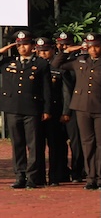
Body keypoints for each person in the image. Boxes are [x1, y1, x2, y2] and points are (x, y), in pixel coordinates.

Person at [0, 30, 51, 189]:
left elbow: (46, 89)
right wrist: (0, 51)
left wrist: (46, 109)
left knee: (33, 145)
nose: (22, 48)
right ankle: (20, 176)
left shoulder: (41, 64)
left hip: (32, 108)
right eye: (19, 45)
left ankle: (33, 177)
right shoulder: (8, 62)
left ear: (32, 46)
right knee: (17, 144)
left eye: (25, 44)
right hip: (12, 108)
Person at [51, 32, 101, 190]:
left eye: (96, 47)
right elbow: (56, 64)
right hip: (81, 107)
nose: (93, 50)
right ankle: (91, 178)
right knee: (87, 143)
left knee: (100, 144)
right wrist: (67, 51)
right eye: (90, 47)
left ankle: (100, 177)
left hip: (99, 107)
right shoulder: (80, 61)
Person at [35, 37, 70, 186]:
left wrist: (66, 111)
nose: (43, 54)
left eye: (46, 51)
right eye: (40, 51)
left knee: (56, 145)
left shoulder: (58, 68)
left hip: (55, 112)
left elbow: (66, 93)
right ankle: (38, 177)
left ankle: (55, 176)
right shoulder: (32, 68)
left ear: (53, 50)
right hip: (37, 112)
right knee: (37, 146)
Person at [55, 31, 86, 183]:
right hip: (56, 107)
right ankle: (62, 172)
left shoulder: (80, 59)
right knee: (58, 143)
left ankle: (77, 172)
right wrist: (65, 52)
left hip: (74, 106)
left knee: (76, 143)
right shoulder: (56, 58)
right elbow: (55, 66)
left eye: (66, 44)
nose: (63, 46)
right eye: (60, 44)